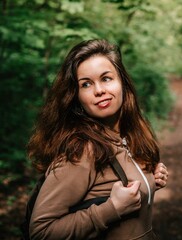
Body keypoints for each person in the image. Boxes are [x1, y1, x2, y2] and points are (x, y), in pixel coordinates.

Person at [26, 39, 169, 239]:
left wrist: (149, 180)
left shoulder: (125, 136)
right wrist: (112, 208)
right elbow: (41, 232)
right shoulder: (82, 152)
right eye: (86, 84)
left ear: (122, 83)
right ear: (76, 97)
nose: (99, 90)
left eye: (106, 78)